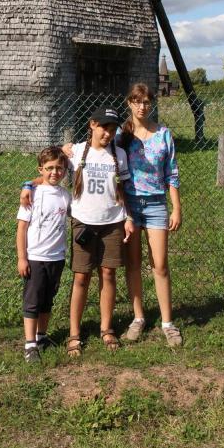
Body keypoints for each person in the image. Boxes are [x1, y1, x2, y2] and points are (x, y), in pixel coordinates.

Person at [22, 107, 134, 357]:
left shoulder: (120, 155)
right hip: (83, 222)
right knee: (81, 276)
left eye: (113, 128)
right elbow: (51, 172)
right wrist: (27, 185)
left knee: (108, 274)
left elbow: (124, 189)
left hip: (113, 222)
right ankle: (75, 333)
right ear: (92, 125)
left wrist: (128, 216)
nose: (108, 133)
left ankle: (106, 328)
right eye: (104, 127)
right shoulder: (76, 153)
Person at [118, 83, 183, 347]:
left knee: (160, 265)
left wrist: (176, 207)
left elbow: (172, 173)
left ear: (151, 104)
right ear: (129, 103)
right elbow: (95, 147)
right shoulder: (122, 136)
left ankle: (168, 323)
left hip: (156, 204)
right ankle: (138, 318)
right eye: (137, 101)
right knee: (133, 264)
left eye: (146, 101)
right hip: (130, 207)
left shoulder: (164, 134)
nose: (142, 106)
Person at [16, 146, 71, 363]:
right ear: (40, 169)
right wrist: (22, 258)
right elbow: (21, 228)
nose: (54, 172)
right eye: (49, 168)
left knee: (48, 299)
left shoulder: (66, 196)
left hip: (57, 258)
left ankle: (42, 336)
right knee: (32, 301)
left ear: (65, 170)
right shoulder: (32, 195)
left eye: (59, 168)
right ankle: (30, 345)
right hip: (35, 257)